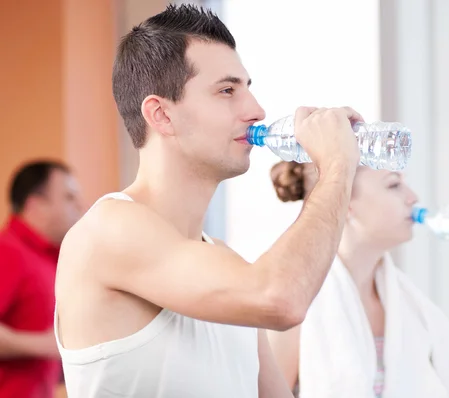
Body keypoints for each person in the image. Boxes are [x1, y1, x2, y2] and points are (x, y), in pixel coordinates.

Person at [54, 4, 362, 398]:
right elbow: (281, 299)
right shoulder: (107, 230)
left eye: (248, 88)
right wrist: (336, 168)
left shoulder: (223, 263)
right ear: (161, 115)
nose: (256, 110)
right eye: (227, 90)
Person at [267, 161, 449, 398]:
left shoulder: (411, 305)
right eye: (394, 184)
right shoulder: (298, 304)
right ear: (344, 201)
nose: (413, 198)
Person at [0, 160, 82, 398]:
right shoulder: (7, 252)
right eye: (69, 197)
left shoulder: (49, 258)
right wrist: (47, 345)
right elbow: (47, 345)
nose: (80, 206)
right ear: (35, 205)